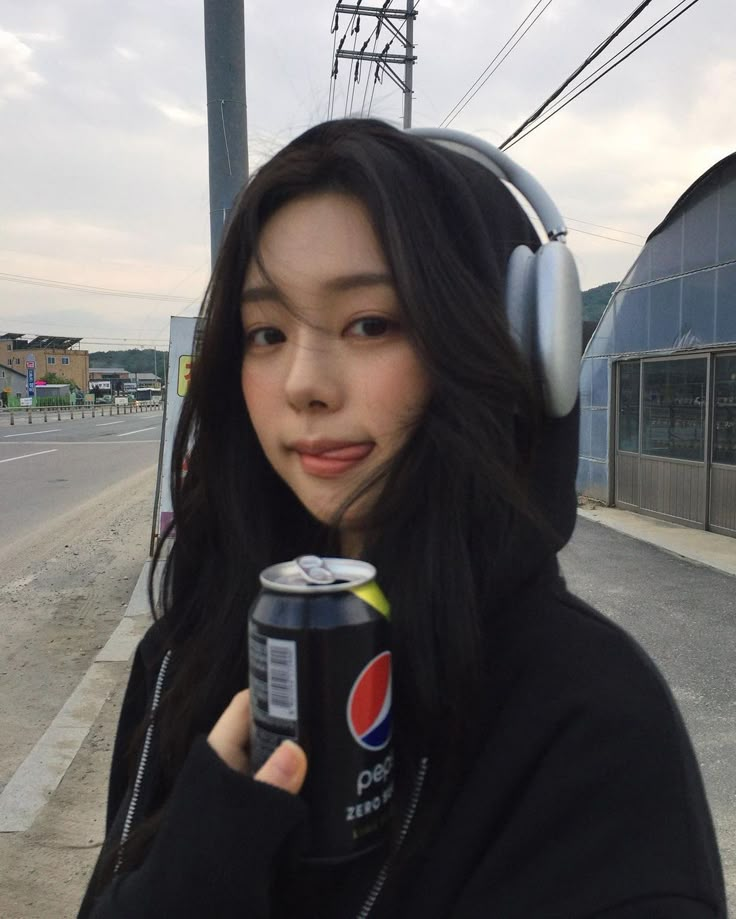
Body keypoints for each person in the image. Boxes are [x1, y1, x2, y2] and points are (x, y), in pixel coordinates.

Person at [78, 118, 726, 918]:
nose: (303, 385)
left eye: (371, 324)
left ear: (513, 344)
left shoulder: (591, 720)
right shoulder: (186, 653)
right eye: (266, 333)